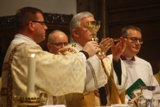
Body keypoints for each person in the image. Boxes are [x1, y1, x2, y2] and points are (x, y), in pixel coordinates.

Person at [0, 7, 101, 107]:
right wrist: (85, 53)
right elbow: (55, 67)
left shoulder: (20, 46)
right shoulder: (24, 48)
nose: (46, 27)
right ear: (31, 25)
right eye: (42, 23)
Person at [56, 11, 127, 107]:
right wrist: (95, 57)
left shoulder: (101, 54)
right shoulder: (67, 53)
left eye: (94, 25)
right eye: (87, 26)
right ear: (76, 32)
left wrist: (116, 58)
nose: (93, 30)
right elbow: (78, 82)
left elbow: (115, 86)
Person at [109, 25, 160, 105]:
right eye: (133, 39)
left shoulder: (145, 65)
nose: (138, 43)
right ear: (122, 40)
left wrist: (148, 102)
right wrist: (128, 102)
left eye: (140, 40)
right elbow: (106, 92)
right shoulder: (108, 61)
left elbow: (155, 91)